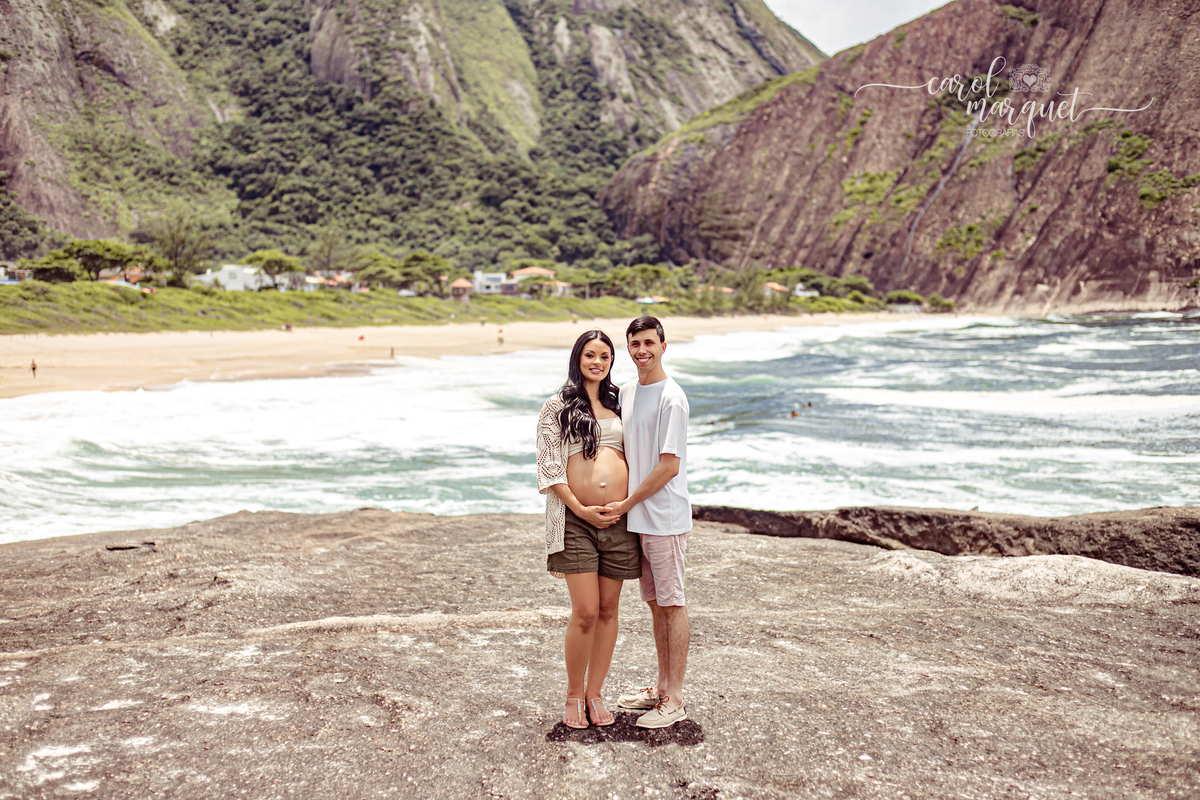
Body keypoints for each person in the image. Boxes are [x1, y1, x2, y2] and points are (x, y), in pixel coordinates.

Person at [536, 330, 641, 729]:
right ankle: (573, 695)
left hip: (620, 520)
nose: (597, 362)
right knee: (585, 612)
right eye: (590, 355)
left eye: (605, 356)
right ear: (577, 358)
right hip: (575, 519)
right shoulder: (557, 406)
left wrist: (626, 504)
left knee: (609, 610)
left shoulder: (621, 404)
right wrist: (581, 508)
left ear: (612, 361)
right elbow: (549, 467)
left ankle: (595, 694)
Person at [606, 316, 691, 729]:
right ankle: (660, 689)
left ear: (663, 346)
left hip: (664, 517)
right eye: (635, 344)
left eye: (649, 343)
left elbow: (668, 466)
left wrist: (626, 502)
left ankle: (675, 699)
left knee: (672, 605)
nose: (642, 351)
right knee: (656, 605)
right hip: (638, 519)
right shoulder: (627, 391)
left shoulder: (672, 398)